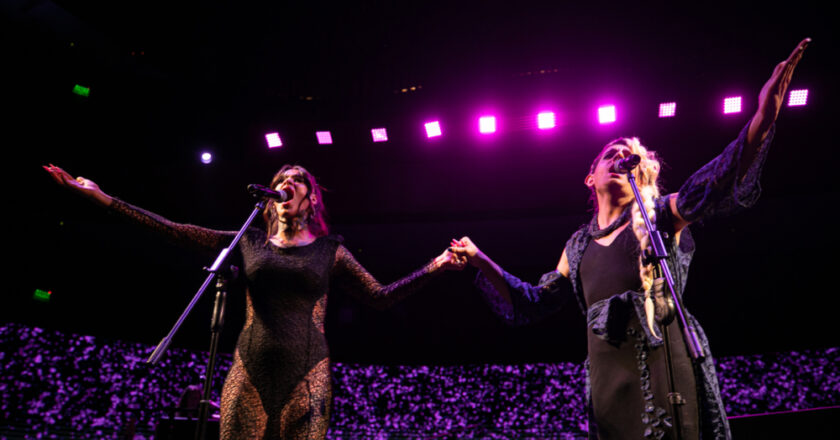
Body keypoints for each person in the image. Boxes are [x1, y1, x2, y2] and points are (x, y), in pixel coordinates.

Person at [447, 39, 810, 440]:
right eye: (611, 153)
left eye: (629, 153)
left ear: (640, 174)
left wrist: (763, 115)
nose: (621, 155)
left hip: (663, 361)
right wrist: (480, 259)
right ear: (591, 178)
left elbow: (716, 180)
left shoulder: (657, 215)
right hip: (607, 379)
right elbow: (534, 302)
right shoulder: (576, 246)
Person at [44, 163, 465, 440]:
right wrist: (102, 198)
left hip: (308, 376)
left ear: (311, 198)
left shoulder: (331, 251)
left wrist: (437, 265)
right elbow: (174, 229)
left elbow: (380, 296)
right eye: (282, 179)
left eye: (296, 179)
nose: (287, 183)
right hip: (249, 370)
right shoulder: (248, 241)